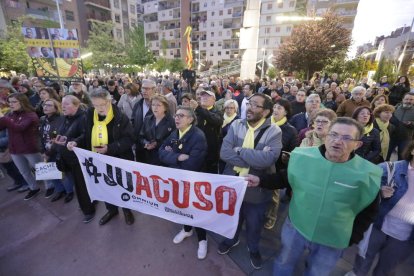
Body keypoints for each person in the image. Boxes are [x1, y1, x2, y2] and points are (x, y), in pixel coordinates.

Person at [246, 117, 381, 275]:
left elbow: (369, 211)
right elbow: (286, 178)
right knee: (284, 261)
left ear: (357, 144)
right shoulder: (303, 157)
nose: (337, 141)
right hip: (296, 226)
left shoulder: (368, 174)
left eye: (346, 138)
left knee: (318, 272)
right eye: (333, 134)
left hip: (334, 237)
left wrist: (353, 237)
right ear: (327, 136)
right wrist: (260, 180)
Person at [218, 93, 282, 270]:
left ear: (267, 111)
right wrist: (254, 157)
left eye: (256, 105)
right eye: (249, 103)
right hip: (234, 184)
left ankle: (253, 248)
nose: (249, 107)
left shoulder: (274, 131)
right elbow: (224, 153)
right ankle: (232, 239)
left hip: (257, 190)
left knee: (254, 224)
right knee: (232, 217)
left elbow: (267, 161)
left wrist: (238, 150)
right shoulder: (237, 124)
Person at [67, 89, 135, 225]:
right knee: (104, 186)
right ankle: (111, 210)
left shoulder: (120, 117)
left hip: (118, 160)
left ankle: (127, 211)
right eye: (95, 105)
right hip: (98, 160)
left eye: (102, 105)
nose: (99, 109)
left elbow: (129, 139)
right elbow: (86, 134)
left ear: (109, 101)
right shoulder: (90, 114)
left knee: (122, 187)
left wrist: (109, 148)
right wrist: (76, 141)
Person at [350, 141, 414, 276]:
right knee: (363, 259)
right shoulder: (390, 168)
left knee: (387, 269)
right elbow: (363, 188)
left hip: (405, 235)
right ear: (412, 151)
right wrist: (379, 191)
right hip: (378, 224)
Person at [158, 106, 208, 260]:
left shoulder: (198, 136)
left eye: (181, 115)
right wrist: (178, 157)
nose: (177, 118)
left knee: (196, 210)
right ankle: (187, 229)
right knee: (182, 206)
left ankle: (202, 239)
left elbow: (192, 163)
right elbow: (161, 153)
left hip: (193, 181)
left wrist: (171, 154)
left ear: (190, 119)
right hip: (177, 179)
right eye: (176, 115)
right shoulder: (175, 133)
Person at [55, 95, 96, 223]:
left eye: (67, 104)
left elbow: (85, 136)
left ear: (76, 105)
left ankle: (88, 210)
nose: (63, 106)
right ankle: (89, 202)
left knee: (81, 185)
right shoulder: (65, 118)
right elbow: (63, 134)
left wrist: (74, 142)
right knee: (79, 184)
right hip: (67, 157)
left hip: (79, 159)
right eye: (62, 104)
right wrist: (58, 140)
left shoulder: (84, 118)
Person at [0, 93, 43, 200]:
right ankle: (33, 188)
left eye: (14, 102)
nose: (11, 104)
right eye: (9, 102)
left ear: (22, 102)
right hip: (15, 149)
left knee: (41, 169)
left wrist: (4, 119)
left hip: (29, 148)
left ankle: (54, 187)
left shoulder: (30, 114)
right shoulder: (10, 115)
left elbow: (20, 128)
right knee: (24, 171)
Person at [264, 99, 298, 229]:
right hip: (260, 163)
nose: (276, 110)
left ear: (286, 112)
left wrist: (286, 156)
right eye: (275, 107)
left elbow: (293, 150)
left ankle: (271, 217)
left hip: (277, 167)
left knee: (274, 196)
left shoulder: (290, 130)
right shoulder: (264, 123)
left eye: (280, 108)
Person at [39, 99, 72, 201]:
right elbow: (40, 136)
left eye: (49, 105)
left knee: (63, 173)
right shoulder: (43, 119)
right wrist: (42, 151)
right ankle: (59, 190)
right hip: (46, 151)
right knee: (51, 172)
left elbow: (59, 137)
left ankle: (69, 191)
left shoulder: (61, 119)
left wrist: (49, 152)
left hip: (57, 150)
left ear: (56, 108)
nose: (45, 107)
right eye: (44, 105)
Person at [190, 89, 223, 173]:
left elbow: (215, 120)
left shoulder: (218, 112)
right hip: (196, 151)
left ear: (214, 100)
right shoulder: (195, 113)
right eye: (203, 95)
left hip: (211, 153)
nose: (204, 97)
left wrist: (198, 108)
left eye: (208, 96)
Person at [139, 95, 175, 165]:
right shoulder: (147, 119)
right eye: (153, 105)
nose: (155, 107)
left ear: (165, 107)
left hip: (164, 159)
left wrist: (157, 144)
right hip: (148, 157)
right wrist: (146, 143)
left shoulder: (171, 122)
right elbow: (141, 136)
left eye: (158, 105)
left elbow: (174, 140)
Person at [131, 79, 155, 162]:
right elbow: (133, 122)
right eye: (143, 88)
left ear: (154, 90)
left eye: (147, 89)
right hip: (139, 146)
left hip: (154, 147)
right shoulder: (138, 104)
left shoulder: (160, 105)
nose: (144, 91)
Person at [387, 92, 414, 160]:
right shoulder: (394, 108)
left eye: (411, 99)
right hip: (391, 136)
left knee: (402, 158)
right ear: (403, 99)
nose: (408, 101)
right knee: (385, 155)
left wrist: (411, 123)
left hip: (406, 138)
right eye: (406, 99)